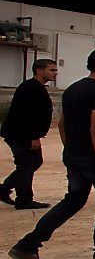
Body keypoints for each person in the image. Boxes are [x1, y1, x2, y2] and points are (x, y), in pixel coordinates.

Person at [8, 48, 95, 259]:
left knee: (73, 200)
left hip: (75, 155)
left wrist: (70, 151)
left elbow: (63, 123)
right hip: (93, 157)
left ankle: (28, 245)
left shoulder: (72, 89)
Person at [0, 58, 58, 209]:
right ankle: (24, 199)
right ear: (39, 70)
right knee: (27, 164)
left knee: (32, 163)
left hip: (22, 133)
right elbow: (26, 115)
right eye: (52, 70)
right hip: (21, 134)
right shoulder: (31, 88)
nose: (55, 73)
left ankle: (4, 189)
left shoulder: (35, 87)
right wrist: (33, 137)